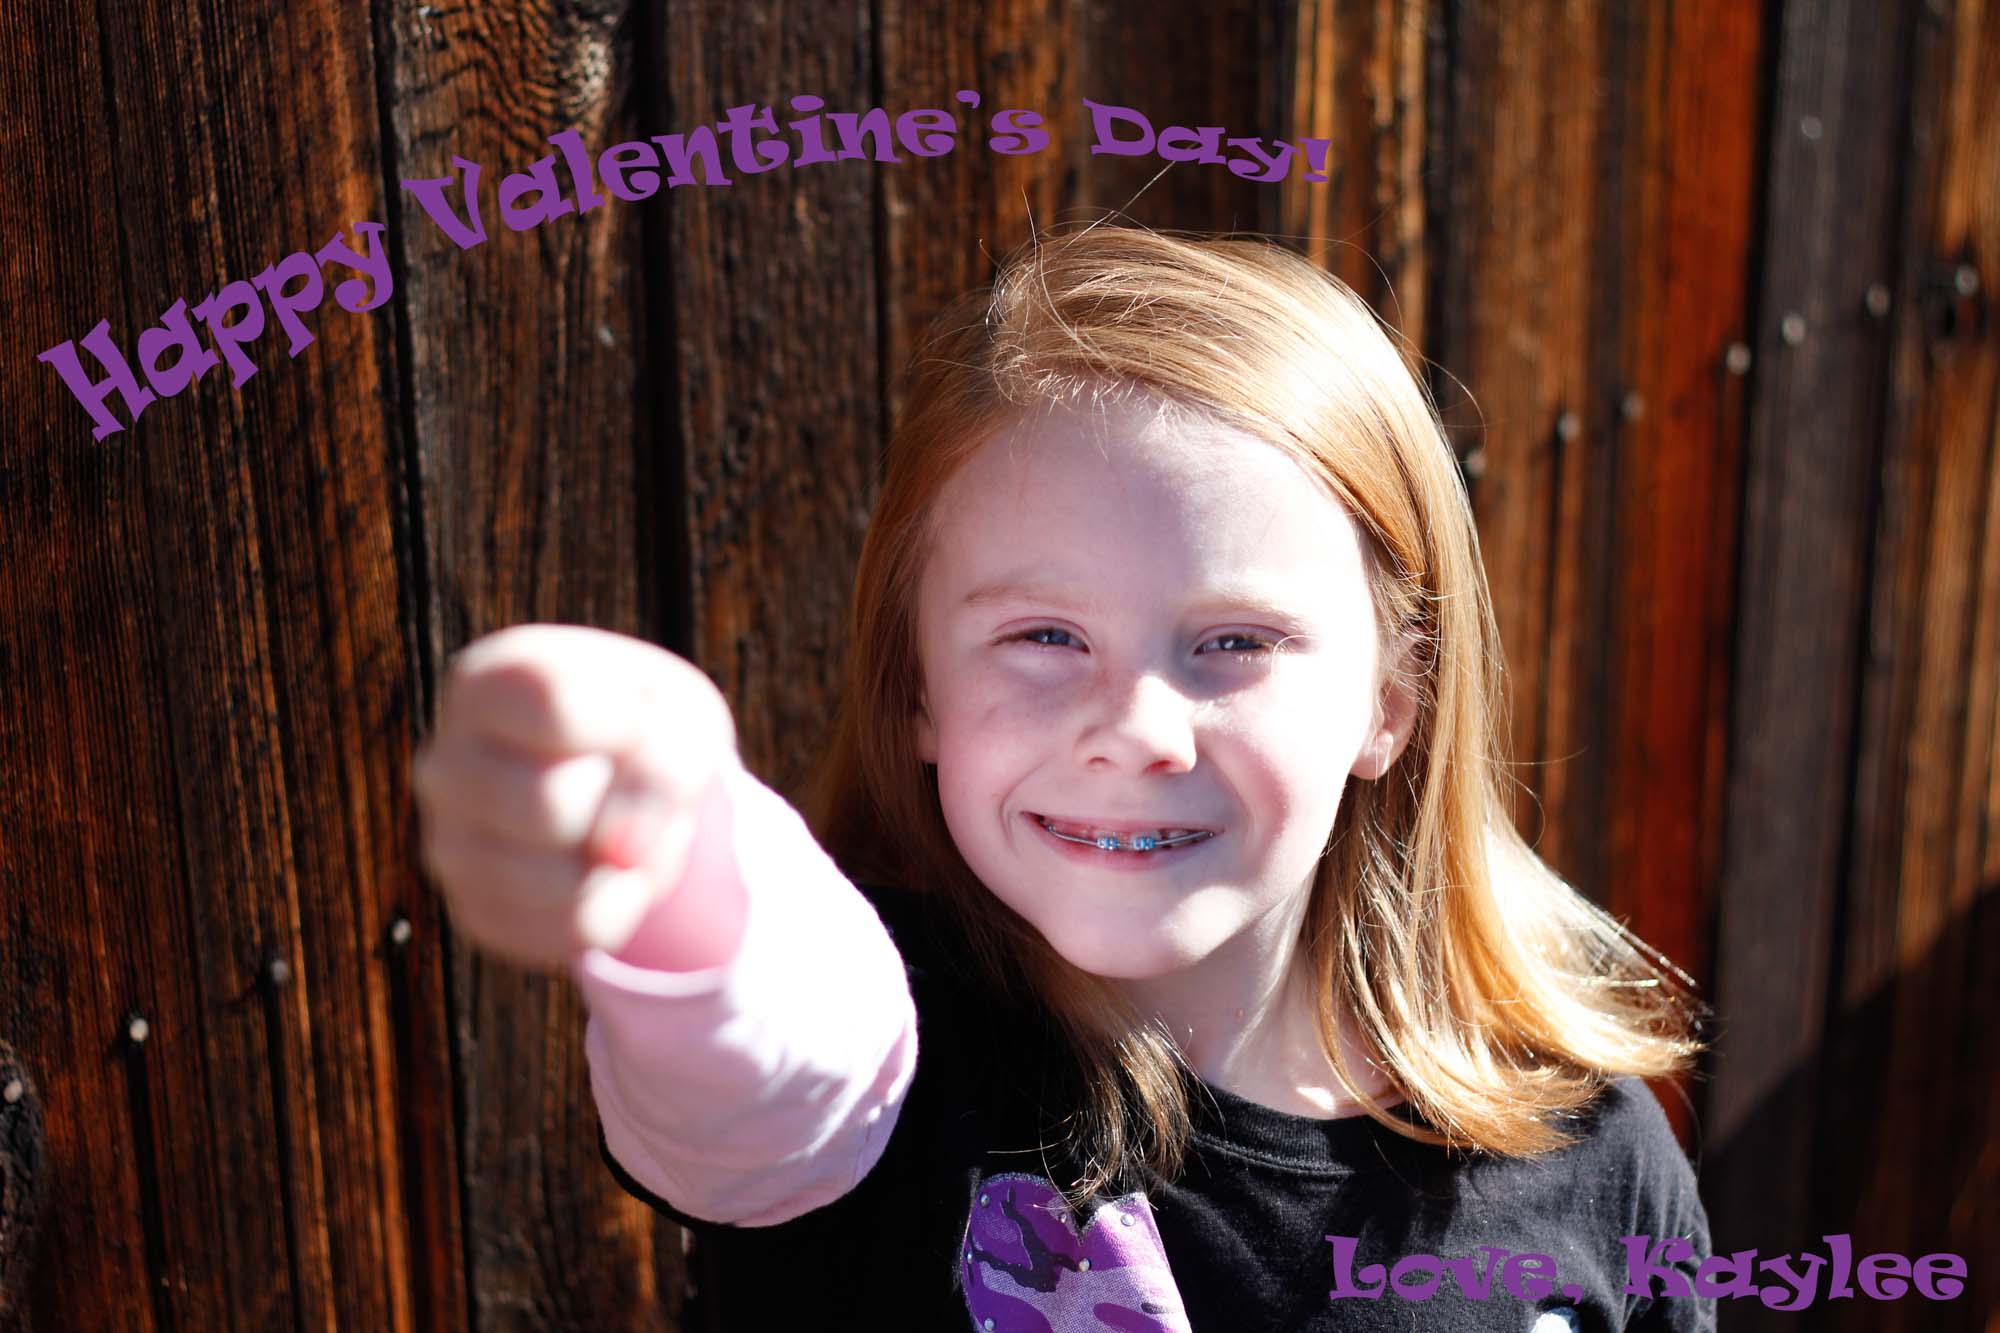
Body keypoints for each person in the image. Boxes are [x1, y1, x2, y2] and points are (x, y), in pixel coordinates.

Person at [412, 224, 1715, 1330]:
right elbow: (770, 1040)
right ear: (917, 689)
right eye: (1044, 637)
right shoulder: (895, 1073)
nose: (1135, 730)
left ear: (1391, 702)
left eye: (1235, 643)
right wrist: (677, 847)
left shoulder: (1593, 1155)